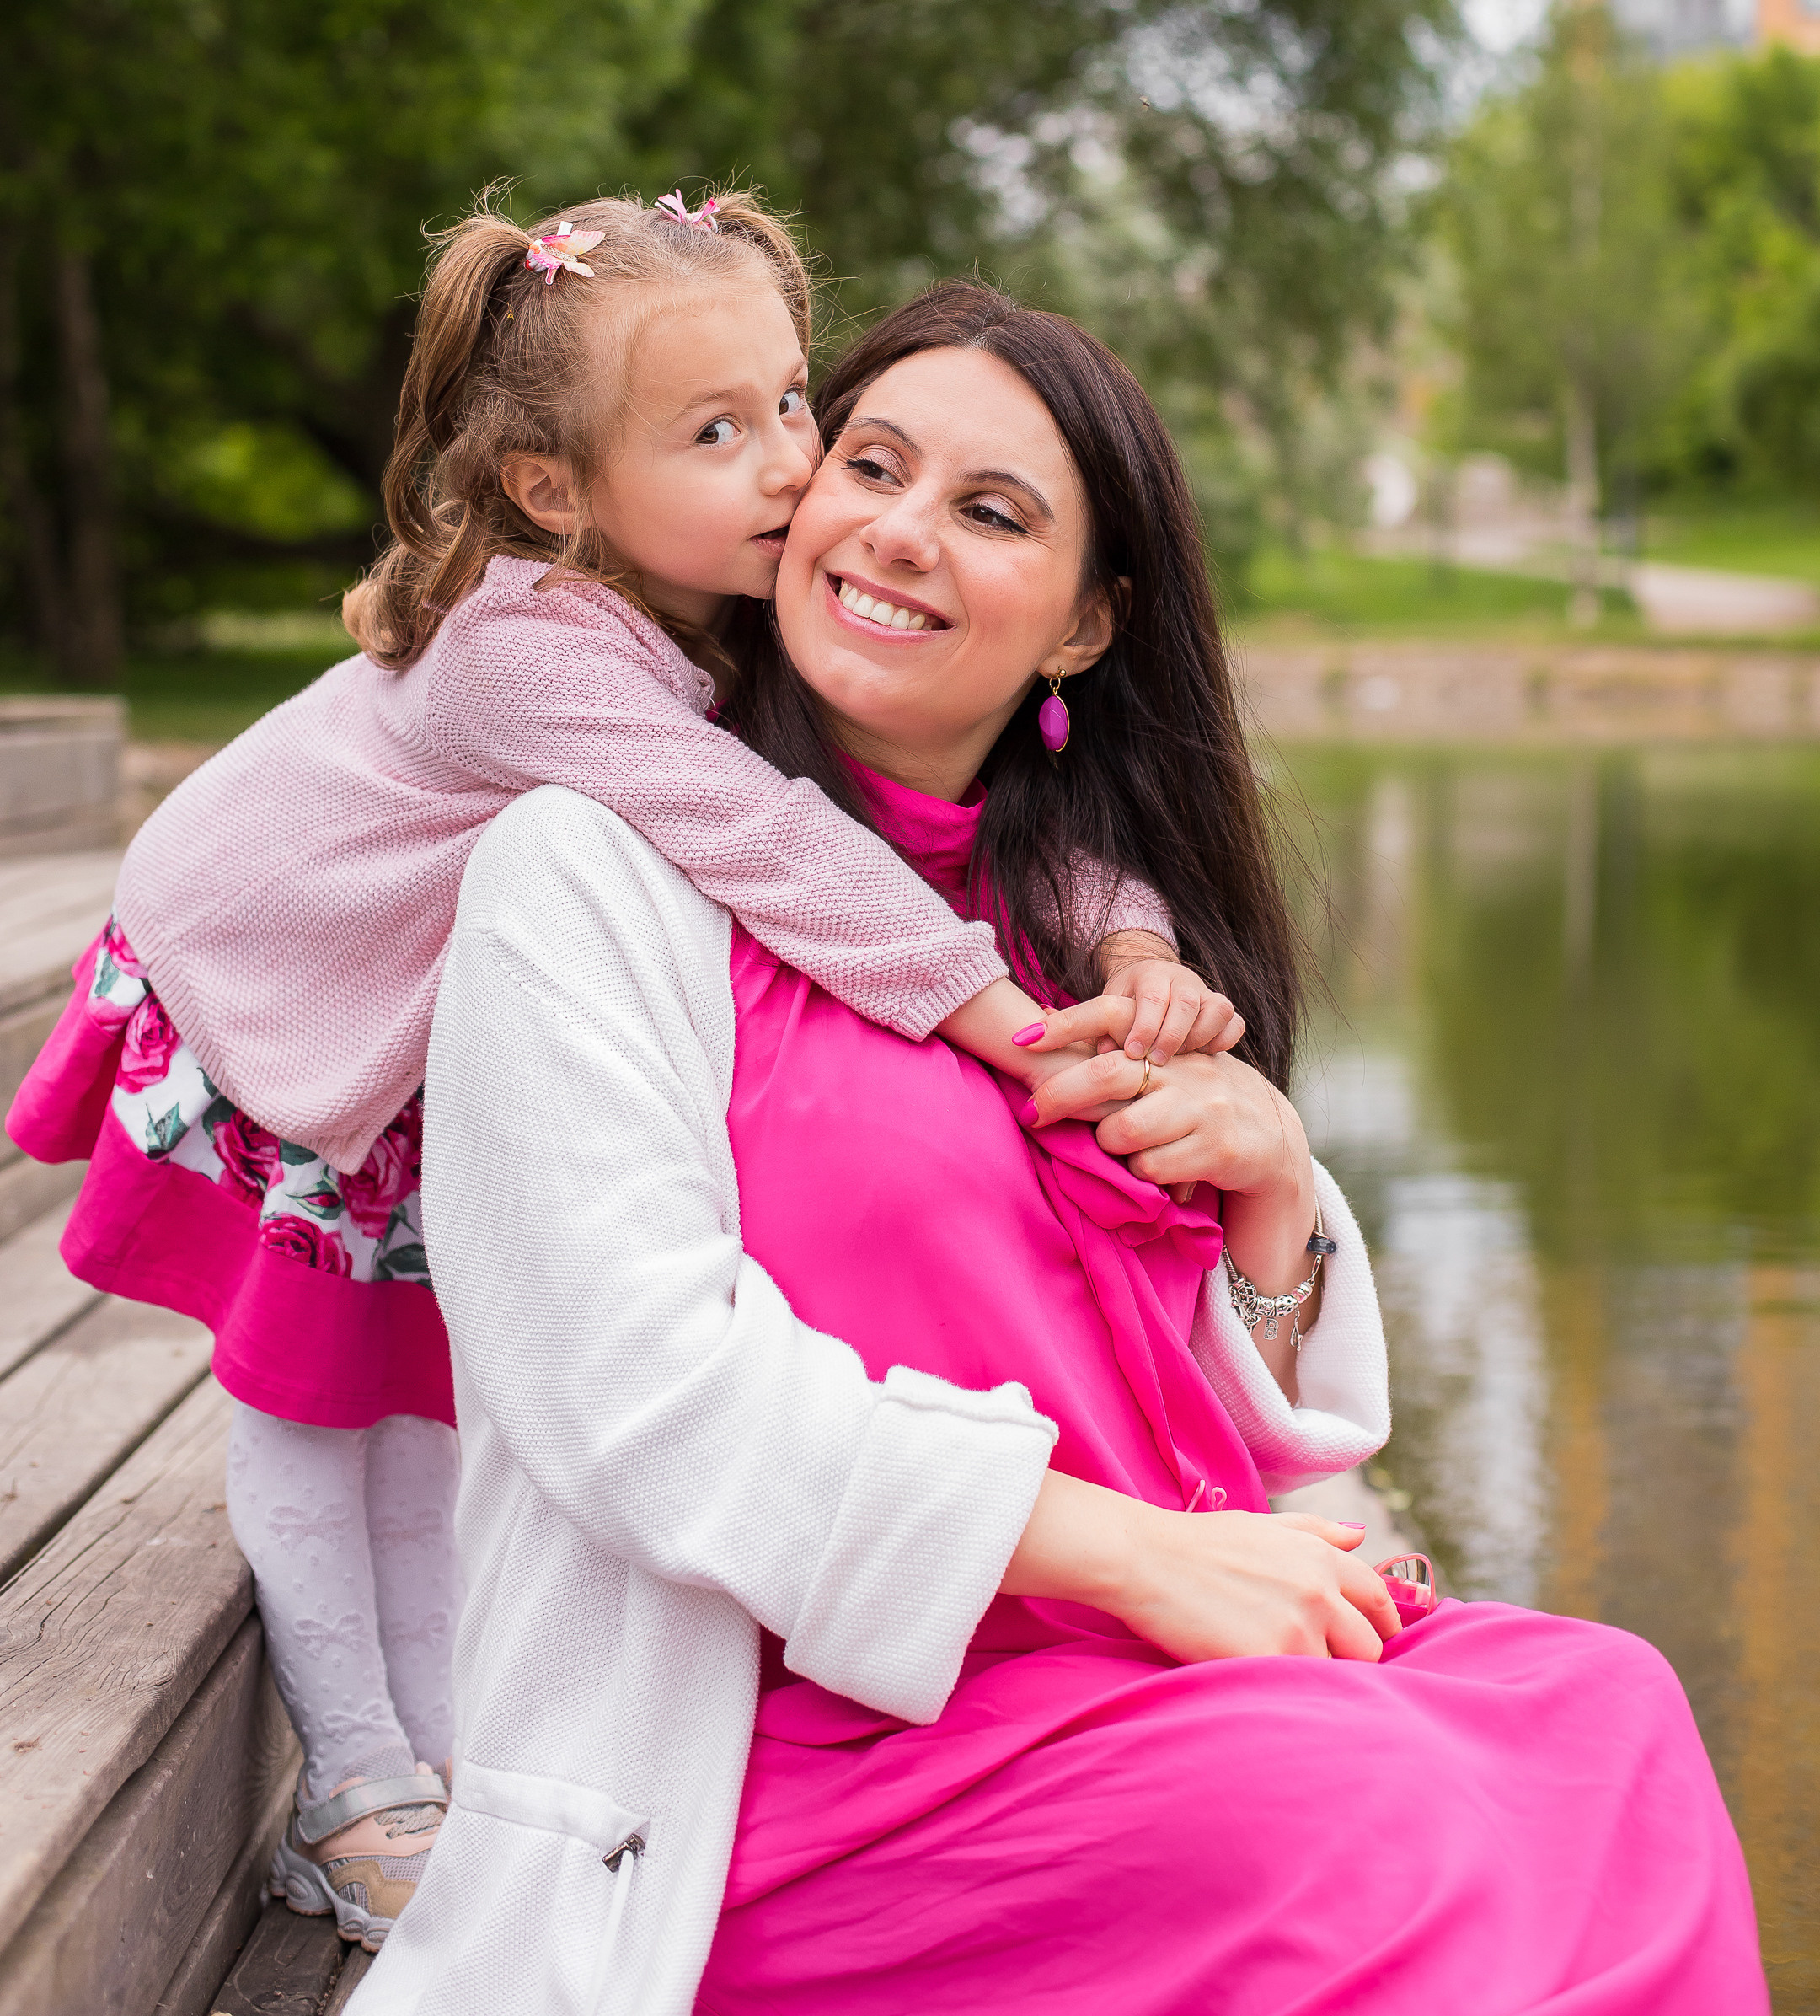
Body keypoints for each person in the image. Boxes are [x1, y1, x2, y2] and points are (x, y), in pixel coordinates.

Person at [360, 284, 1768, 2013]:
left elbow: (1189, 1413)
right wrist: (1142, 1559)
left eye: (992, 511)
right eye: (873, 465)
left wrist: (1272, 1198)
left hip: (1134, 1678)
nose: (900, 531)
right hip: (777, 1765)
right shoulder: (584, 877)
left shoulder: (1087, 937)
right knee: (1360, 1816)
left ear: (1087, 628)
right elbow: (636, 1392)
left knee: (1613, 1717)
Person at [4, 206, 1225, 1952]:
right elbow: (762, 830)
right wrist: (993, 1014)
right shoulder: (531, 654)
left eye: (792, 403)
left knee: (415, 1398)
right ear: (552, 490)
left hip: (396, 1005)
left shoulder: (701, 597)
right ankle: (352, 1785)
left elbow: (1018, 831)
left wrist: (1135, 945)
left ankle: (444, 1759)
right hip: (263, 986)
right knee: (301, 1402)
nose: (790, 465)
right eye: (716, 432)